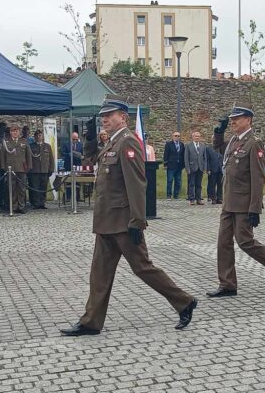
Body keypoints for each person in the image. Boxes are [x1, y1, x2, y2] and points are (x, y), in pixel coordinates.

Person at [61, 100, 197, 336]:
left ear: (123, 117)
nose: (104, 119)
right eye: (102, 116)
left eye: (109, 115)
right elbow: (90, 160)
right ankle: (91, 321)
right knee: (99, 274)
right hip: (106, 221)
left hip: (123, 222)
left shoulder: (128, 142)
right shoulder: (112, 142)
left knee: (143, 268)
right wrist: (91, 139)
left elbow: (137, 184)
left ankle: (184, 301)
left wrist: (137, 220)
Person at [207, 106, 265, 297]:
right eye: (232, 119)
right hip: (228, 202)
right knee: (223, 243)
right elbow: (218, 148)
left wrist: (255, 209)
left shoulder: (254, 143)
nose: (233, 122)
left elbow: (258, 178)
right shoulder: (233, 141)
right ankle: (227, 284)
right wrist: (218, 132)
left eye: (237, 118)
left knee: (245, 242)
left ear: (249, 120)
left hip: (244, 204)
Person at [0, 124, 31, 214]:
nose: (15, 133)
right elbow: (2, 156)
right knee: (11, 189)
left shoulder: (24, 141)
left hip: (21, 168)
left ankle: (21, 206)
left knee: (22, 189)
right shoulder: (6, 142)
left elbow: (28, 155)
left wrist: (29, 167)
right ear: (10, 132)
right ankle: (13, 206)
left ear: (19, 132)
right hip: (10, 168)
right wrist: (3, 167)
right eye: (13, 131)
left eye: (16, 131)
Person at [29, 130, 55, 209]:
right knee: (35, 188)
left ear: (42, 136)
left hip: (44, 170)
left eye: (40, 135)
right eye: (37, 135)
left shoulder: (47, 146)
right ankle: (35, 203)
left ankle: (42, 202)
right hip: (35, 170)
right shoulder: (31, 146)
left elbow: (51, 159)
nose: (38, 137)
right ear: (34, 137)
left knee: (43, 187)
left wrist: (51, 169)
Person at [184, 129, 207, 205]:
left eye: (198, 136)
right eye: (196, 136)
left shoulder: (203, 146)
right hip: (191, 167)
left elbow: (204, 158)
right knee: (191, 184)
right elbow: (186, 158)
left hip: (200, 168)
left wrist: (204, 168)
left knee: (199, 184)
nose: (197, 137)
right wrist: (187, 168)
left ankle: (198, 199)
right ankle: (191, 199)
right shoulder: (188, 145)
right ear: (193, 137)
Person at [163, 131, 184, 199]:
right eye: (176, 136)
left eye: (178, 136)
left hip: (179, 166)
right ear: (173, 136)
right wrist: (165, 164)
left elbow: (183, 155)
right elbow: (166, 154)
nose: (177, 137)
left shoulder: (181, 144)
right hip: (171, 165)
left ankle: (176, 195)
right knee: (170, 180)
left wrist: (183, 165)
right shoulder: (169, 144)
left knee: (178, 181)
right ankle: (169, 195)